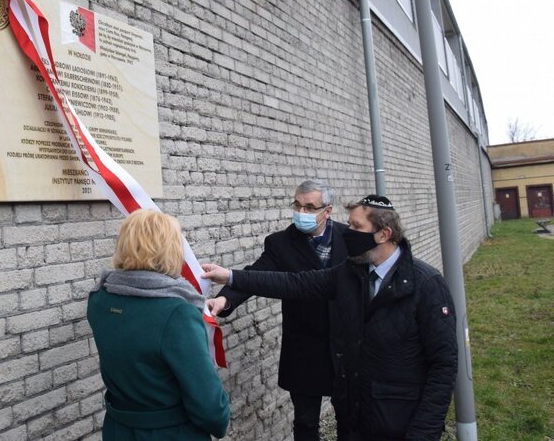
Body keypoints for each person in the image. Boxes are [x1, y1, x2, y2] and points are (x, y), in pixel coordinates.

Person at [202, 195, 458, 440]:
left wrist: (424, 433)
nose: (348, 232)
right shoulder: (351, 273)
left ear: (384, 234)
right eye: (348, 224)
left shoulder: (426, 284)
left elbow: (443, 365)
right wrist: (230, 276)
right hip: (357, 420)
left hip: (400, 422)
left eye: (356, 226)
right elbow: (294, 283)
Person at [206, 179, 349, 441]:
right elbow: (256, 274)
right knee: (306, 422)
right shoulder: (280, 243)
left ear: (327, 211)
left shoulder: (350, 238)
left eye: (309, 207)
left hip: (347, 344)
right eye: (297, 205)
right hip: (305, 345)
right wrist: (224, 300)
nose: (301, 212)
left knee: (350, 418)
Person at [87, 209, 230, 440]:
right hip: (170, 432)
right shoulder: (176, 313)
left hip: (117, 429)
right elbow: (208, 402)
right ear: (170, 248)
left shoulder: (99, 300)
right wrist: (220, 418)